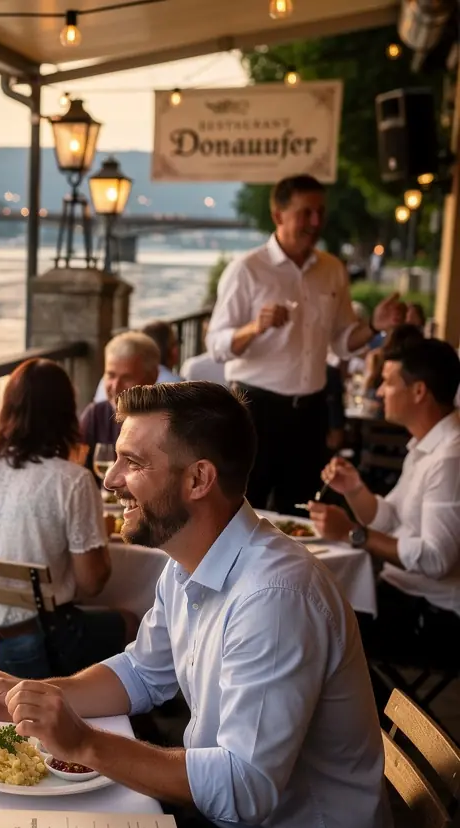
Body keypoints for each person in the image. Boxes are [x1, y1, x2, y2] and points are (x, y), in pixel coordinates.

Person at [0, 381, 393, 828]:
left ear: (198, 479)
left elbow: (245, 787)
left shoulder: (274, 597)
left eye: (132, 463)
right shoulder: (188, 564)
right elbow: (140, 672)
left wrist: (83, 742)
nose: (110, 480)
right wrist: (31, 694)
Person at [207, 174, 404, 514]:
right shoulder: (247, 269)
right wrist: (255, 327)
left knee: (303, 513)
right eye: (306, 213)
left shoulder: (332, 269)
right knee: (242, 512)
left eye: (320, 212)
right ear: (278, 215)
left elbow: (342, 342)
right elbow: (216, 344)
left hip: (311, 412)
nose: (315, 222)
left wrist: (374, 326)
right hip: (255, 409)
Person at [0, 358, 132, 679]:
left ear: (6, 409)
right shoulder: (72, 480)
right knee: (131, 623)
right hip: (38, 641)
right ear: (66, 414)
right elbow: (91, 584)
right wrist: (99, 538)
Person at [309, 336, 460, 685]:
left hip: (434, 616)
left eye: (388, 382)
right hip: (402, 595)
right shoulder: (427, 445)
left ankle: (373, 716)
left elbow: (437, 559)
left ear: (419, 391)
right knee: (308, 606)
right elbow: (391, 519)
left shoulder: (450, 458)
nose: (379, 392)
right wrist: (355, 489)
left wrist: (353, 534)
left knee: (312, 627)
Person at [80, 331, 159, 472]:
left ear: (152, 377)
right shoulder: (95, 415)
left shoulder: (166, 422)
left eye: (127, 378)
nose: (115, 386)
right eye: (110, 375)